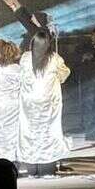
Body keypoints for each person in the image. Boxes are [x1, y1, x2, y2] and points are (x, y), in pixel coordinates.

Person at [18, 28, 70, 177]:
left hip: (30, 105)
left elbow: (21, 77)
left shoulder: (25, 58)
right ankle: (47, 167)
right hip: (49, 104)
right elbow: (64, 74)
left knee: (30, 133)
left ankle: (32, 168)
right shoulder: (54, 58)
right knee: (49, 133)